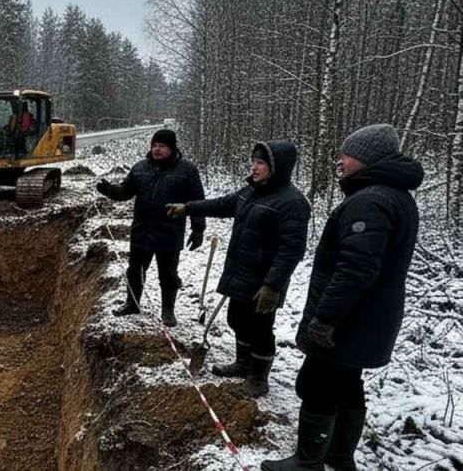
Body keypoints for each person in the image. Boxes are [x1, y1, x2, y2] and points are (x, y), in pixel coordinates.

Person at [261, 124, 423, 471]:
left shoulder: (370, 201)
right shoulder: (395, 196)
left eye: (346, 155)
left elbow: (355, 269)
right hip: (369, 319)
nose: (340, 161)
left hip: (348, 320)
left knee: (317, 385)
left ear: (366, 159)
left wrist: (325, 319)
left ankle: (307, 462)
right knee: (348, 383)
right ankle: (339, 456)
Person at [167, 140, 310, 397]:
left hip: (264, 280)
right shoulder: (251, 192)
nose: (254, 168)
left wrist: (272, 285)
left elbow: (292, 250)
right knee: (237, 319)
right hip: (241, 272)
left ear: (277, 167)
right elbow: (222, 204)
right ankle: (243, 363)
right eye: (253, 162)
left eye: (261, 163)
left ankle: (258, 377)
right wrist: (188, 208)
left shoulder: (292, 203)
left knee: (261, 329)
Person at [95, 129, 206, 326]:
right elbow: (125, 192)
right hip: (141, 231)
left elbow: (197, 200)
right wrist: (110, 190)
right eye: (154, 145)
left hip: (169, 233)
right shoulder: (140, 168)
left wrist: (198, 229)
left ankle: (168, 311)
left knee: (168, 275)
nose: (156, 149)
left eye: (161, 146)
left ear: (171, 148)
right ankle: (132, 303)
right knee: (135, 270)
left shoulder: (187, 171)